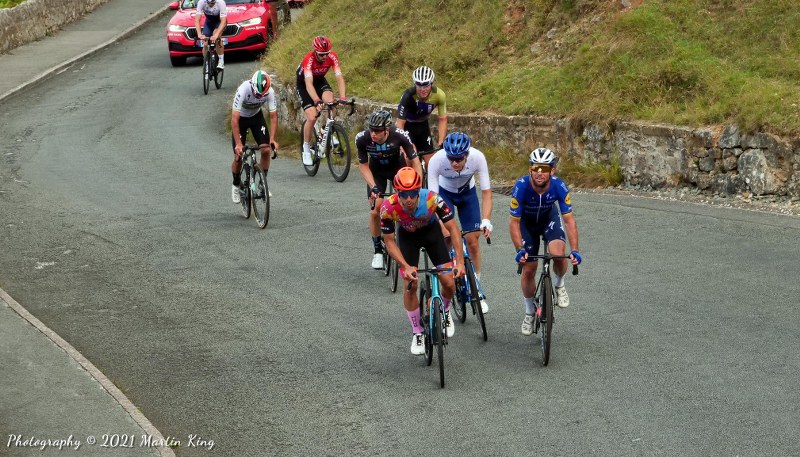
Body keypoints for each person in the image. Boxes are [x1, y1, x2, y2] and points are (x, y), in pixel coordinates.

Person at [380, 167, 465, 355]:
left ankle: (445, 309)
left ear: (419, 191)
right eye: (404, 194)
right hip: (408, 238)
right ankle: (417, 332)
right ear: (397, 192)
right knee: (410, 285)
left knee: (449, 283)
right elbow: (389, 242)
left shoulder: (432, 199)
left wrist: (459, 261)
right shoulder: (388, 207)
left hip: (431, 234)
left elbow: (453, 229)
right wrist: (405, 266)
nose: (408, 199)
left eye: (412, 193)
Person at [509, 148, 582, 336]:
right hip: (527, 224)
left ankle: (559, 284)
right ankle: (529, 312)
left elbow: (569, 220)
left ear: (553, 170)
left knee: (558, 253)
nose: (540, 173)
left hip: (549, 219)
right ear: (530, 170)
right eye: (536, 168)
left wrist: (575, 250)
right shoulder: (521, 186)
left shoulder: (559, 186)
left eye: (544, 168)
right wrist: (519, 249)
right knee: (529, 268)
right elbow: (514, 223)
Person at [427, 132, 493, 313]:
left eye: (459, 158)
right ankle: (450, 270)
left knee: (472, 241)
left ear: (467, 155)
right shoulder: (437, 160)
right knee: (446, 235)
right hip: (444, 195)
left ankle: (476, 288)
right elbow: (432, 200)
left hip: (467, 195)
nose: (454, 162)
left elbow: (486, 193)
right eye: (451, 158)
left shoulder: (478, 157)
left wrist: (486, 220)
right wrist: (442, 226)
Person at [356, 110, 423, 269]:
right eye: (371, 129)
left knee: (406, 204)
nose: (373, 134)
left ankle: (407, 234)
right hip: (376, 173)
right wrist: (373, 187)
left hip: (397, 170)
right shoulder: (362, 138)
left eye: (377, 131)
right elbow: (363, 166)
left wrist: (417, 185)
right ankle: (378, 251)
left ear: (387, 130)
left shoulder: (399, 135)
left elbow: (415, 162)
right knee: (375, 209)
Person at [296, 35, 348, 166]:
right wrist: (316, 100)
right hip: (304, 84)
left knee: (332, 104)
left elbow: (339, 78)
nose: (325, 57)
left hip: (319, 81)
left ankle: (324, 132)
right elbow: (308, 84)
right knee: (312, 117)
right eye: (321, 54)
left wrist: (342, 97)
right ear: (315, 52)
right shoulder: (309, 59)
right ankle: (306, 148)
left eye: (327, 54)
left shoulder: (332, 56)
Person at [230, 70, 279, 203]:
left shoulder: (270, 92)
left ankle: (262, 184)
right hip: (241, 120)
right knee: (238, 156)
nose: (259, 97)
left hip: (256, 118)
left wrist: (272, 139)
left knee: (266, 150)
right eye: (257, 94)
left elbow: (273, 116)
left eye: (262, 95)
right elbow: (234, 119)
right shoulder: (243, 90)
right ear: (252, 86)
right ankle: (235, 184)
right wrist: (239, 144)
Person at [395, 66, 447, 167]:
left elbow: (443, 119)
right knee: (410, 158)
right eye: (419, 85)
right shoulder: (408, 95)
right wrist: (403, 144)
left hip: (423, 127)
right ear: (415, 84)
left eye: (426, 85)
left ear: (432, 83)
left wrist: (441, 141)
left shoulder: (440, 95)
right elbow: (400, 124)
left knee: (431, 163)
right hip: (407, 127)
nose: (423, 89)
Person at [195, 0, 227, 69]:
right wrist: (199, 34)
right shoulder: (201, 2)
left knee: (216, 36)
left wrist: (216, 35)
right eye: (208, 3)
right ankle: (206, 63)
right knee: (205, 43)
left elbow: (223, 21)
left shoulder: (221, 2)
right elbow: (197, 20)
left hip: (219, 22)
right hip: (209, 22)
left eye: (212, 3)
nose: (210, 4)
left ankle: (221, 61)